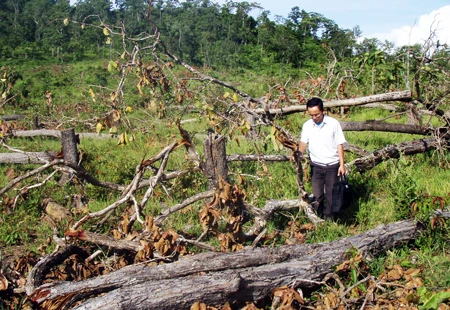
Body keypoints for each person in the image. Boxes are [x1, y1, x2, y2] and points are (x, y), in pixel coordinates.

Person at [298, 97, 346, 221]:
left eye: (316, 114)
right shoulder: (307, 125)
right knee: (318, 195)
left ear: (323, 111)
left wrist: (342, 164)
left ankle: (331, 219)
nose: (314, 118)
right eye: (311, 115)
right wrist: (299, 153)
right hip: (316, 166)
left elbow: (339, 144)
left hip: (332, 165)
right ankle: (319, 218)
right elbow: (303, 142)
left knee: (331, 194)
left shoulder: (333, 124)